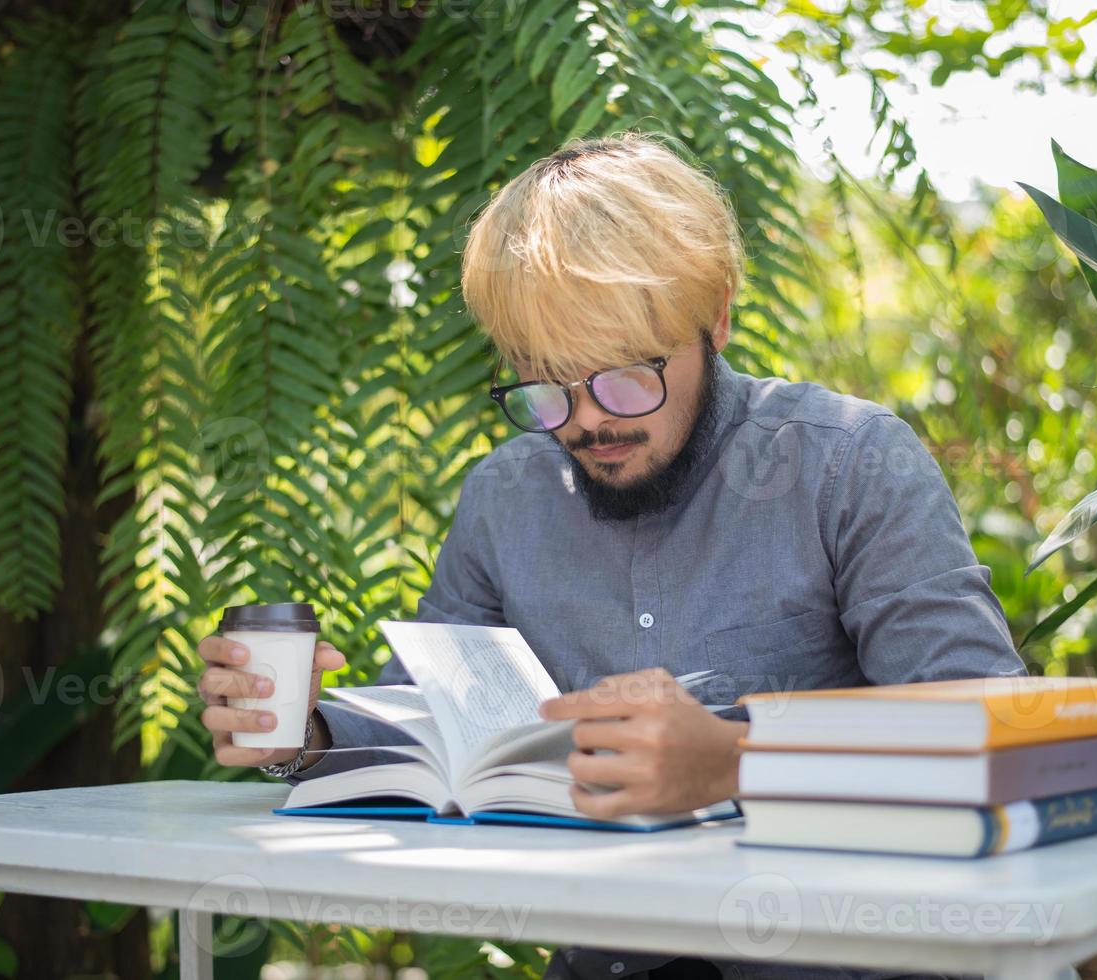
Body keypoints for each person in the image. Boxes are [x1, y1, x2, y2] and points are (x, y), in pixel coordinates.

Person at [196, 131, 1027, 980]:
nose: (588, 421)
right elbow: (433, 734)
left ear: (717, 318)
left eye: (627, 377)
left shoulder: (850, 464)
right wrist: (299, 734)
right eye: (547, 386)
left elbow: (993, 734)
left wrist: (741, 764)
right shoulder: (506, 496)